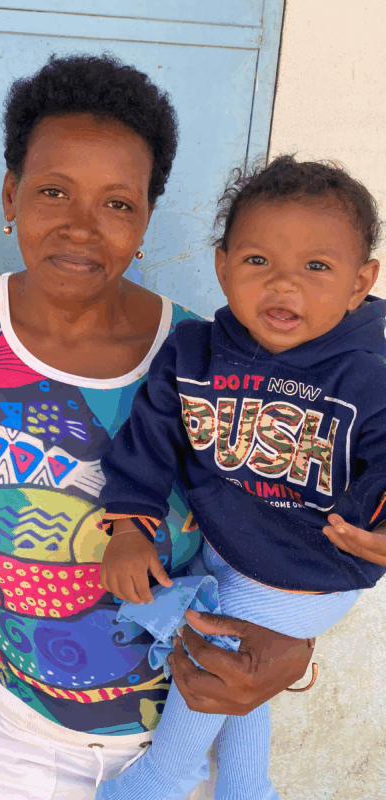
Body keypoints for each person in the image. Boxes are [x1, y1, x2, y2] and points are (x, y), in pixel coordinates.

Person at [0, 56, 332, 799]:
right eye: (53, 191)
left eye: (118, 204)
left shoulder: (206, 363)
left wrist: (295, 645)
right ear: (12, 195)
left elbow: (283, 523)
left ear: (146, 221)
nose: (81, 227)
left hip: (180, 738)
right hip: (18, 738)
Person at [96, 156, 386, 800]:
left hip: (313, 566)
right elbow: (148, 441)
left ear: (360, 281)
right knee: (245, 683)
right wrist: (127, 526)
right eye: (258, 262)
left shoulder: (368, 371)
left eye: (317, 267)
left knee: (217, 664)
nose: (284, 286)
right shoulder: (194, 353)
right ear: (223, 264)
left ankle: (164, 776)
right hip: (231, 548)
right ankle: (248, 784)